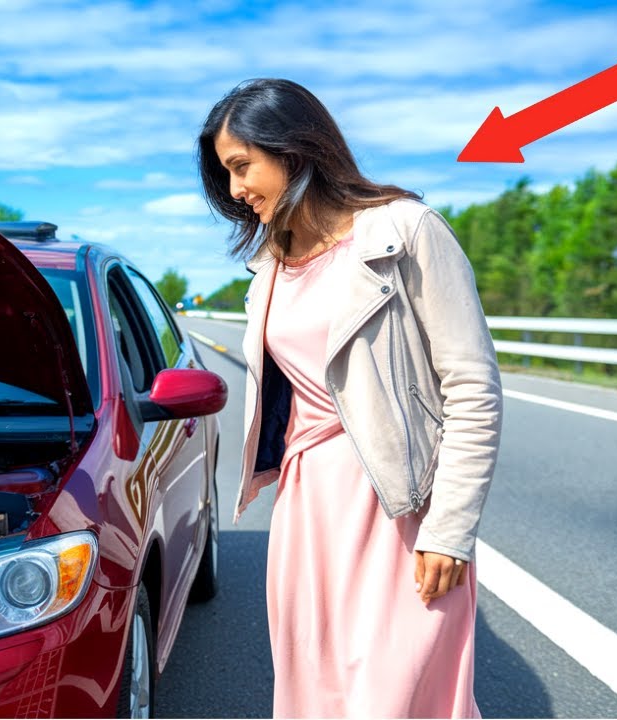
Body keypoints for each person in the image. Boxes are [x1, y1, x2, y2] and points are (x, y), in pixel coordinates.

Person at [197, 79, 503, 718]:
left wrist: (450, 531)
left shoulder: (404, 231)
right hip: (308, 509)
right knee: (318, 695)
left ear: (295, 150)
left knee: (399, 696)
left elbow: (472, 390)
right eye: (225, 173)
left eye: (241, 166)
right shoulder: (270, 269)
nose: (234, 190)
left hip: (399, 505)